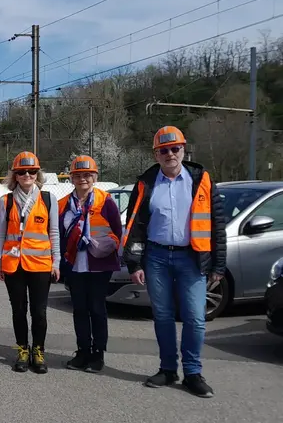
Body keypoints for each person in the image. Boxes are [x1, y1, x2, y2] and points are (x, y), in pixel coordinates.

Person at [123, 126, 226, 398]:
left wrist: (218, 264)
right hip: (156, 257)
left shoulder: (200, 179)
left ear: (183, 149)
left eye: (175, 149)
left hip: (192, 257)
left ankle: (192, 372)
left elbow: (217, 224)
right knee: (163, 316)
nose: (170, 154)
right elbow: (135, 225)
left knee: (195, 317)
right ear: (156, 154)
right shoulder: (146, 183)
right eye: (163, 150)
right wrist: (134, 263)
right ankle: (168, 369)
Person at [0, 152, 60, 373]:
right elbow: (0, 234)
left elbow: (54, 233)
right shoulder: (6, 201)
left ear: (37, 174)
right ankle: (22, 349)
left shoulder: (48, 199)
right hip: (14, 265)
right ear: (15, 175)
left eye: (32, 171)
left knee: (39, 312)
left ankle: (38, 351)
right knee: (18, 310)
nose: (27, 175)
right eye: (22, 172)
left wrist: (56, 262)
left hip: (40, 265)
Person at [58, 156, 122, 373]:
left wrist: (104, 245)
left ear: (95, 177)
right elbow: (58, 235)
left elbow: (117, 231)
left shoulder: (106, 201)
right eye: (77, 175)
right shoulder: (63, 204)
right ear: (71, 178)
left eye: (87, 175)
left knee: (97, 308)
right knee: (79, 309)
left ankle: (98, 353)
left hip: (99, 264)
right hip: (75, 265)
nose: (82, 179)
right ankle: (83, 350)